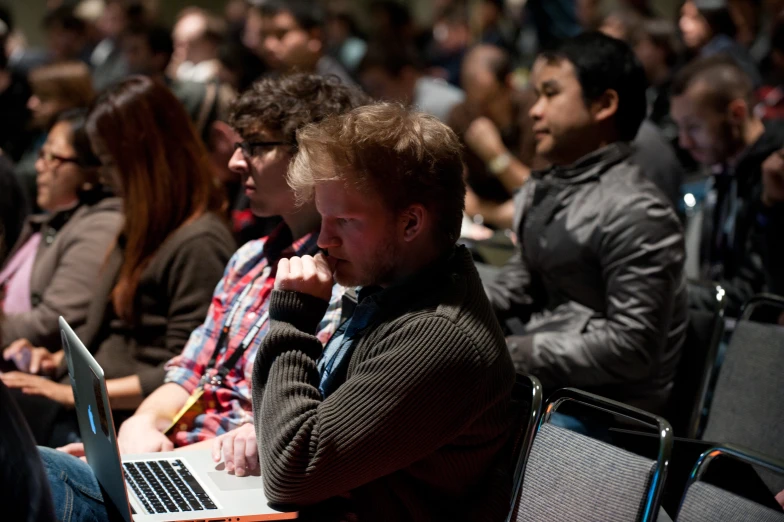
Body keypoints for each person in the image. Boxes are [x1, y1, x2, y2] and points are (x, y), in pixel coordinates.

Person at [34, 74, 368, 520]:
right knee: (34, 465)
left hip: (236, 483)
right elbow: (190, 371)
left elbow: (290, 430)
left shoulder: (343, 278)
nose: (234, 162)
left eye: (253, 146)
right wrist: (142, 425)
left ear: (311, 155)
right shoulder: (249, 258)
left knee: (30, 470)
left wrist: (155, 461)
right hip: (178, 463)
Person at [251, 103, 516, 521]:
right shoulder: (388, 292)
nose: (324, 240)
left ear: (411, 223)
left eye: (344, 220)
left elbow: (292, 475)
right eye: (322, 218)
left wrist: (291, 323)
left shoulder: (437, 336)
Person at [1, 76, 235, 447]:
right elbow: (114, 337)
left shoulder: (199, 241)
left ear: (147, 160)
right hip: (89, 404)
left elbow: (187, 371)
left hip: (121, 422)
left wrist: (70, 392)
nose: (105, 178)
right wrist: (57, 361)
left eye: (110, 163)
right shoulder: (141, 227)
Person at [485, 32, 687, 414]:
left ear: (604, 104)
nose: (534, 110)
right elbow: (523, 278)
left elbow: (633, 348)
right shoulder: (556, 183)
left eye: (550, 93)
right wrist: (454, 312)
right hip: (551, 381)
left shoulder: (638, 210)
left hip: (606, 412)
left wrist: (516, 352)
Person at [670, 55, 784, 315]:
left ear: (737, 113)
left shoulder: (774, 176)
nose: (684, 142)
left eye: (694, 127)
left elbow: (754, 294)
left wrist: (668, 292)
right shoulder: (724, 167)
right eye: (679, 127)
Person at [0, 109, 122, 353]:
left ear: (90, 170)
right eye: (41, 154)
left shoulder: (100, 225)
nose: (39, 166)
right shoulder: (55, 220)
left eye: (52, 157)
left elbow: (54, 324)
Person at [448, 44, 543, 228]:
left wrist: (495, 154)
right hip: (482, 226)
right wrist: (492, 214)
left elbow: (538, 197)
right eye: (472, 100)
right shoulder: (461, 115)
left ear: (509, 85)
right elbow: (450, 186)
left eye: (488, 100)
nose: (479, 112)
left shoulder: (535, 113)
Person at [15, 61, 94, 212]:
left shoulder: (83, 136)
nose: (32, 103)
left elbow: (25, 174)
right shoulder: (41, 131)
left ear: (71, 100)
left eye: (43, 97)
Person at [358, 42, 464, 123]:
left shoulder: (439, 106)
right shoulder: (417, 98)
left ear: (406, 76)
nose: (375, 98)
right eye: (370, 90)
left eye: (379, 87)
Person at [261, 0, 356, 86]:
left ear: (314, 37)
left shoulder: (338, 89)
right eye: (264, 35)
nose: (268, 45)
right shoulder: (266, 85)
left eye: (281, 34)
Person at [679, 0, 762, 87]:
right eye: (682, 16)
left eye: (694, 17)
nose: (683, 25)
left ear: (709, 18)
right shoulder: (700, 54)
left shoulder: (726, 51)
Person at [169, 7, 225, 83]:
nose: (178, 52)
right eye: (176, 44)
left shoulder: (220, 78)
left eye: (191, 45)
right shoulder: (174, 73)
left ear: (210, 45)